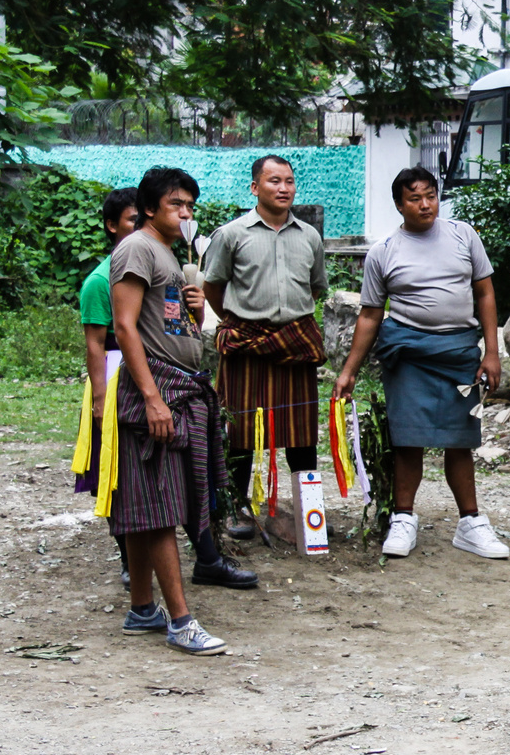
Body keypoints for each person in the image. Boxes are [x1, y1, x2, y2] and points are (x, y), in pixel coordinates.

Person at [102, 166, 254, 657]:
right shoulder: (136, 248)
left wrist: (192, 305)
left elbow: (163, 322)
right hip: (160, 393)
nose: (186, 213)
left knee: (150, 504)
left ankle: (142, 607)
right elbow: (125, 328)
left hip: (181, 387)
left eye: (190, 206)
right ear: (150, 208)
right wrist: (151, 398)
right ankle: (181, 621)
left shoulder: (166, 254)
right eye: (176, 205)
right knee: (163, 507)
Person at [332, 166, 509, 561]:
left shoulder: (464, 235)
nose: (425, 204)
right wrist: (349, 371)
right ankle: (403, 518)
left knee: (460, 439)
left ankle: (471, 523)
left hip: (459, 350)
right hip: (408, 352)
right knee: (407, 439)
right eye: (415, 198)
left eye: (430, 195)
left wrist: (492, 352)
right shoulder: (384, 252)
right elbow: (369, 315)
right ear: (399, 205)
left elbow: (485, 295)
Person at [202, 155, 329, 540]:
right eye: (274, 181)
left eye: (289, 181)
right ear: (255, 187)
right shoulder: (231, 234)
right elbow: (212, 284)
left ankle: (311, 517)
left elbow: (316, 287)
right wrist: (238, 321)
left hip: (295, 345)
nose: (284, 188)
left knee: (302, 434)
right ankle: (235, 512)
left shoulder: (310, 236)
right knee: (240, 431)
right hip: (246, 345)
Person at [71, 187, 138, 586]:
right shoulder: (100, 281)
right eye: (132, 221)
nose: (139, 229)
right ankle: (128, 557)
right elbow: (95, 343)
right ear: (113, 226)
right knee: (115, 470)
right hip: (114, 378)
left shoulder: (154, 269)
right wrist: (100, 401)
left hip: (151, 371)